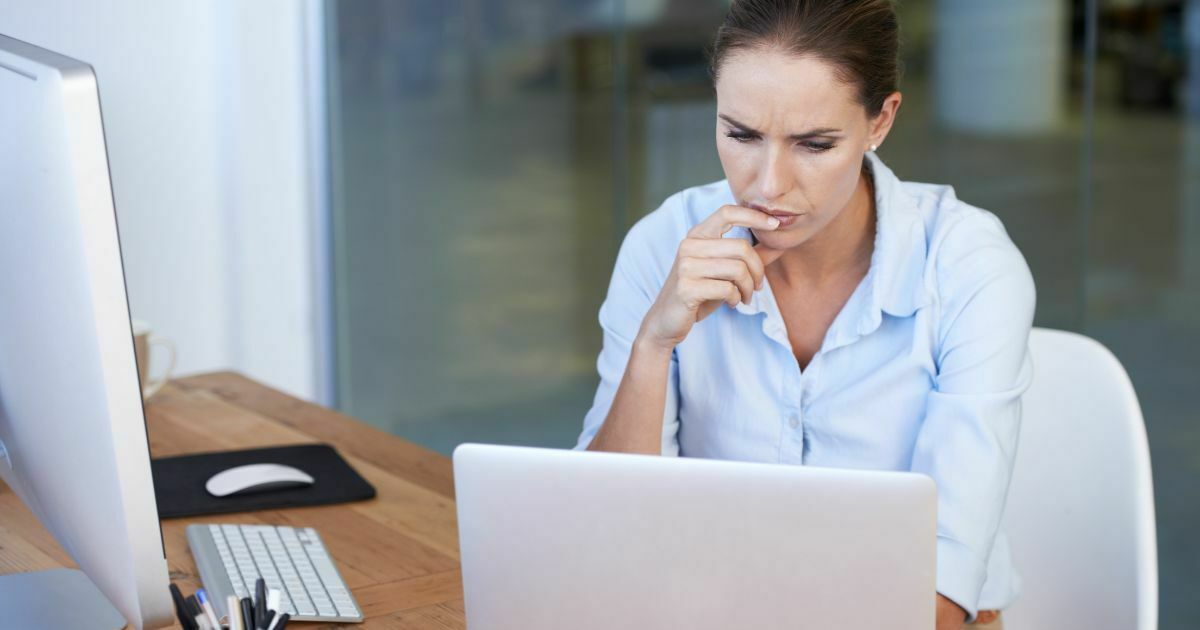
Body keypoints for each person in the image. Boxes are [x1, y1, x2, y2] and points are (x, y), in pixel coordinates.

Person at [574, 1, 1035, 628]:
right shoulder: (663, 246)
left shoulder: (968, 267)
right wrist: (654, 345)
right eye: (740, 135)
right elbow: (602, 535)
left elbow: (945, 588)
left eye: (814, 144)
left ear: (881, 119)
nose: (767, 186)